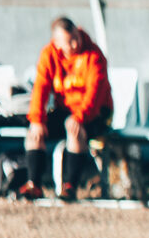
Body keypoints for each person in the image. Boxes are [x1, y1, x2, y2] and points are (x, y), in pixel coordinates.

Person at [22, 16, 113, 202]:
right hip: (66, 111)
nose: (74, 44)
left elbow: (94, 94)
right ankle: (34, 185)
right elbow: (40, 89)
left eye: (76, 38)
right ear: (57, 43)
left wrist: (79, 117)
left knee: (74, 130)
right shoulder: (49, 54)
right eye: (69, 42)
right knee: (34, 133)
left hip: (95, 113)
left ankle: (70, 187)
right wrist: (37, 120)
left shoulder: (93, 55)